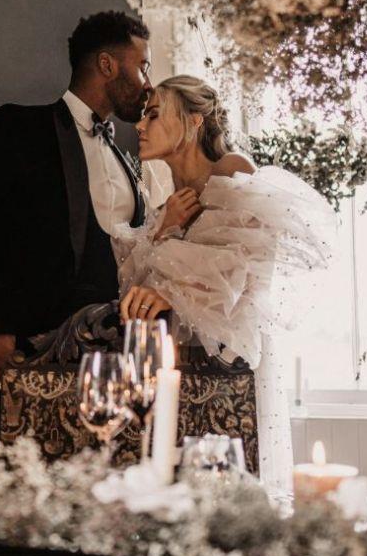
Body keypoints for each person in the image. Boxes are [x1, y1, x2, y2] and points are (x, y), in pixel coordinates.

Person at [0, 11, 155, 443]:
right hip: (22, 358)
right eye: (143, 65)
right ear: (107, 65)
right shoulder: (19, 130)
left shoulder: (125, 154)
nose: (149, 83)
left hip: (111, 369)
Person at [113, 75, 341, 497]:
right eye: (143, 116)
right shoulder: (163, 205)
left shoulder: (234, 171)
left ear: (194, 121)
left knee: (231, 489)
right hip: (177, 365)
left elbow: (246, 270)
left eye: (154, 114)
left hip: (229, 362)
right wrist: (163, 231)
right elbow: (131, 287)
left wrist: (173, 289)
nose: (141, 126)